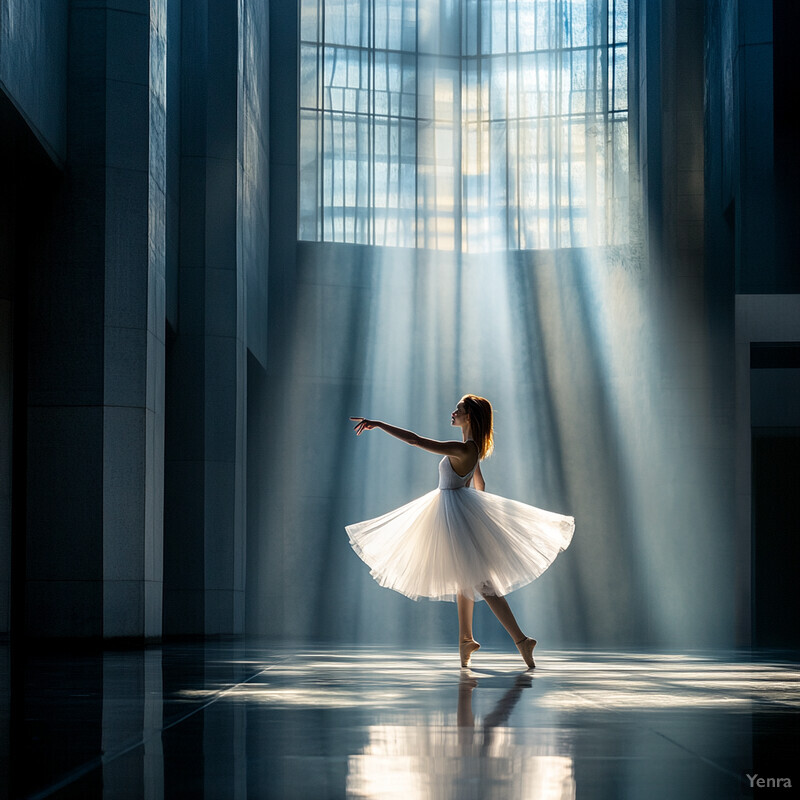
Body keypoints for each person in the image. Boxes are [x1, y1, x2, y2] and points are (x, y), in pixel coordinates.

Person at [347, 395, 574, 670]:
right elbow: (480, 482)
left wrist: (380, 424)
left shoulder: (464, 449)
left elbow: (416, 441)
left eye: (460, 409)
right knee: (464, 577)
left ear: (470, 417)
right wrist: (477, 513)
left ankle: (521, 639)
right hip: (457, 510)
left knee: (481, 583)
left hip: (453, 510)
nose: (453, 412)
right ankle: (465, 639)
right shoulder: (472, 449)